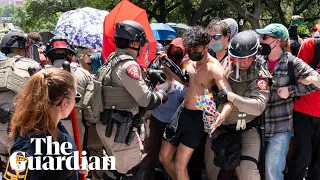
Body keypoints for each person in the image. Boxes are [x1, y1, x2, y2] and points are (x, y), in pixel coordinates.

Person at [95, 20, 168, 179]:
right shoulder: (129, 65)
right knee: (133, 173)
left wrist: (148, 74)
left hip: (109, 125)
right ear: (134, 42)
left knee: (115, 171)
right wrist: (162, 93)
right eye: (141, 43)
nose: (142, 47)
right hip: (119, 129)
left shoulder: (113, 58)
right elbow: (147, 100)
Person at [161, 26, 233, 180]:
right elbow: (187, 83)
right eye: (190, 48)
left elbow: (229, 96)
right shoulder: (190, 62)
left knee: (180, 165)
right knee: (164, 157)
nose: (192, 51)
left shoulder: (214, 68)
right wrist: (167, 66)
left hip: (196, 119)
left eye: (196, 49)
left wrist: (222, 115)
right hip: (181, 113)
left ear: (206, 47)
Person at [255, 23, 320, 180]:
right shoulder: (257, 61)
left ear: (277, 41)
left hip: (280, 127)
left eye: (264, 37)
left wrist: (290, 91)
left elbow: (316, 82)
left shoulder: (292, 63)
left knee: (272, 173)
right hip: (256, 126)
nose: (260, 40)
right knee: (256, 170)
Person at [205, 30, 271, 180]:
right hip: (219, 129)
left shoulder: (260, 75)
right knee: (213, 171)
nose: (242, 63)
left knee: (248, 171)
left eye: (247, 58)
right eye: (237, 58)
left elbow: (259, 106)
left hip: (246, 128)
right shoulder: (224, 68)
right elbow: (209, 94)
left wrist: (232, 97)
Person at [4, 68, 87, 179]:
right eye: (76, 99)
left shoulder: (53, 125)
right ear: (64, 103)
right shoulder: (30, 147)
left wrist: (76, 165)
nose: (75, 103)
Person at [44, 35, 105, 180]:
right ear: (70, 54)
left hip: (46, 129)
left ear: (49, 56)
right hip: (77, 127)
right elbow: (93, 106)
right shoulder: (84, 74)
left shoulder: (40, 75)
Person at [0, 31, 40, 173]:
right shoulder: (32, 65)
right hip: (17, 125)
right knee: (21, 170)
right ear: (20, 47)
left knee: (6, 165)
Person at [143, 67, 187, 180]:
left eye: (162, 82)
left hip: (172, 125)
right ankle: (147, 175)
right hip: (154, 120)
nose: (160, 85)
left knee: (168, 156)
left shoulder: (179, 89)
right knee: (149, 149)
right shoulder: (151, 87)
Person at [286, 35, 320, 180]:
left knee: (318, 162)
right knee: (302, 157)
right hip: (303, 110)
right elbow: (296, 74)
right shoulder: (310, 45)